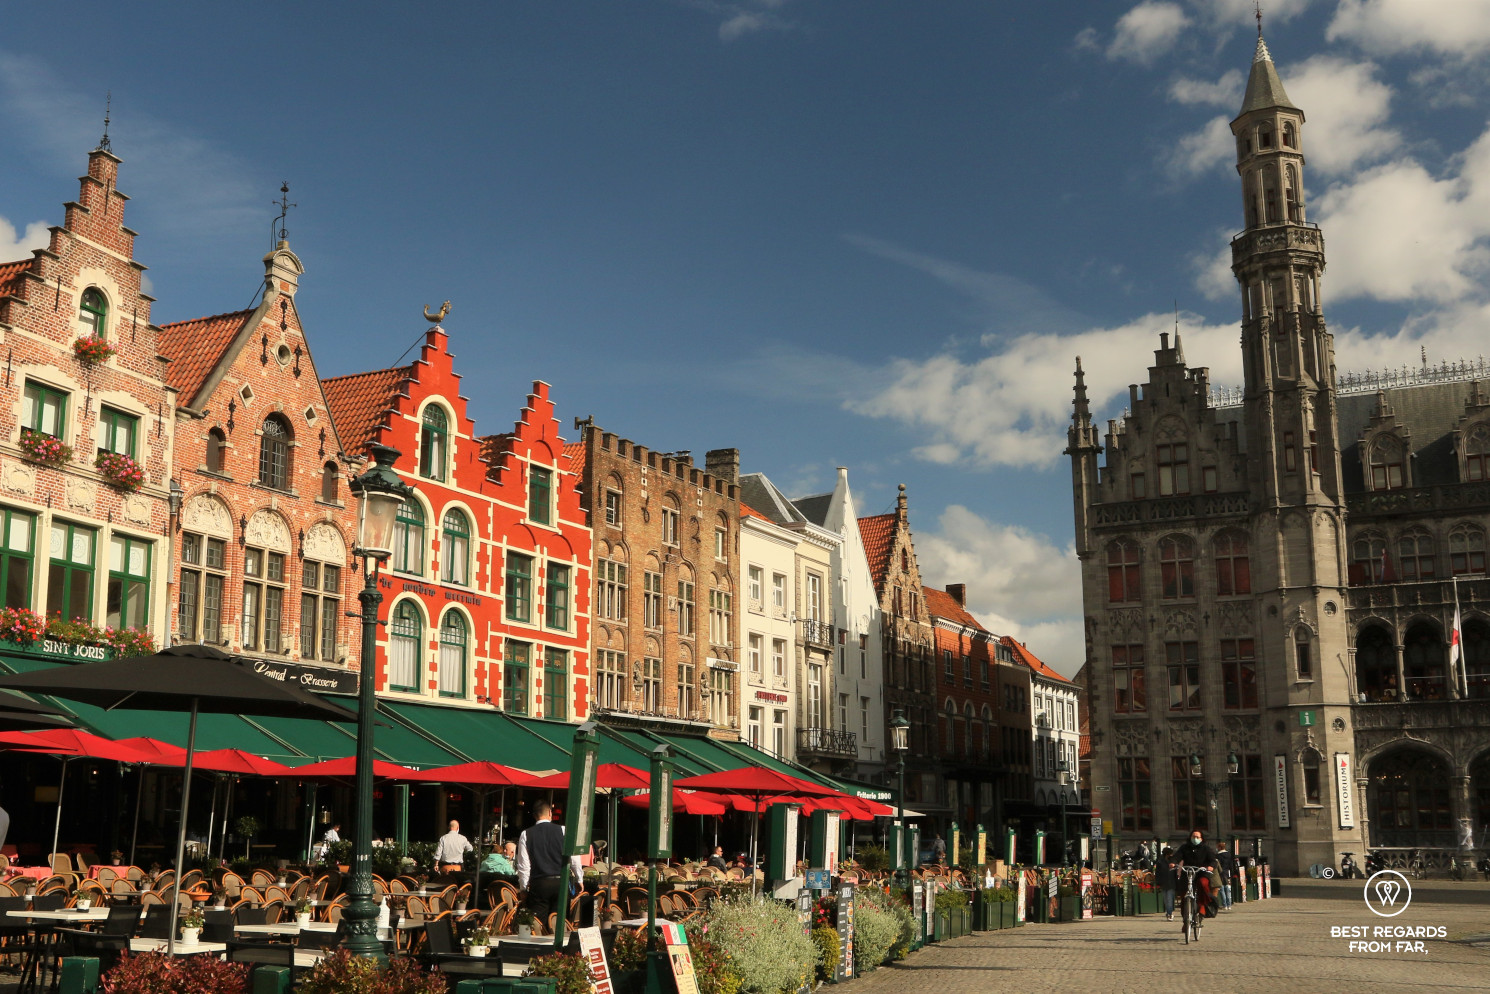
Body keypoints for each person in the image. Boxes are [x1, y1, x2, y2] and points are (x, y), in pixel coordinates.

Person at [516, 801, 584, 924]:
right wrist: (579, 879)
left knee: (538, 924)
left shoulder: (526, 834)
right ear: (549, 813)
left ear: (534, 816)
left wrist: (523, 888)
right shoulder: (564, 830)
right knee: (560, 923)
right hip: (561, 882)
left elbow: (524, 866)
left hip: (539, 883)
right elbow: (574, 859)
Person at [1174, 830, 1219, 918]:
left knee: (1203, 883)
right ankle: (1185, 919)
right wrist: (1172, 863)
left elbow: (1213, 860)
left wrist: (1211, 866)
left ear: (1201, 839)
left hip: (1201, 872)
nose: (1195, 839)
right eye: (1193, 837)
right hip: (1188, 872)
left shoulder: (1206, 848)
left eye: (1197, 837)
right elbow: (1177, 857)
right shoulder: (1184, 847)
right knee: (1184, 894)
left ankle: (1202, 905)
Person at [1157, 846, 1178, 921]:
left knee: (1169, 899)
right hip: (1163, 882)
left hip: (1171, 883)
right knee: (1165, 900)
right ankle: (1168, 912)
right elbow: (1158, 872)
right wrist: (1158, 882)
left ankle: (1170, 913)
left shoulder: (1173, 862)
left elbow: (1176, 872)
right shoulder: (1160, 861)